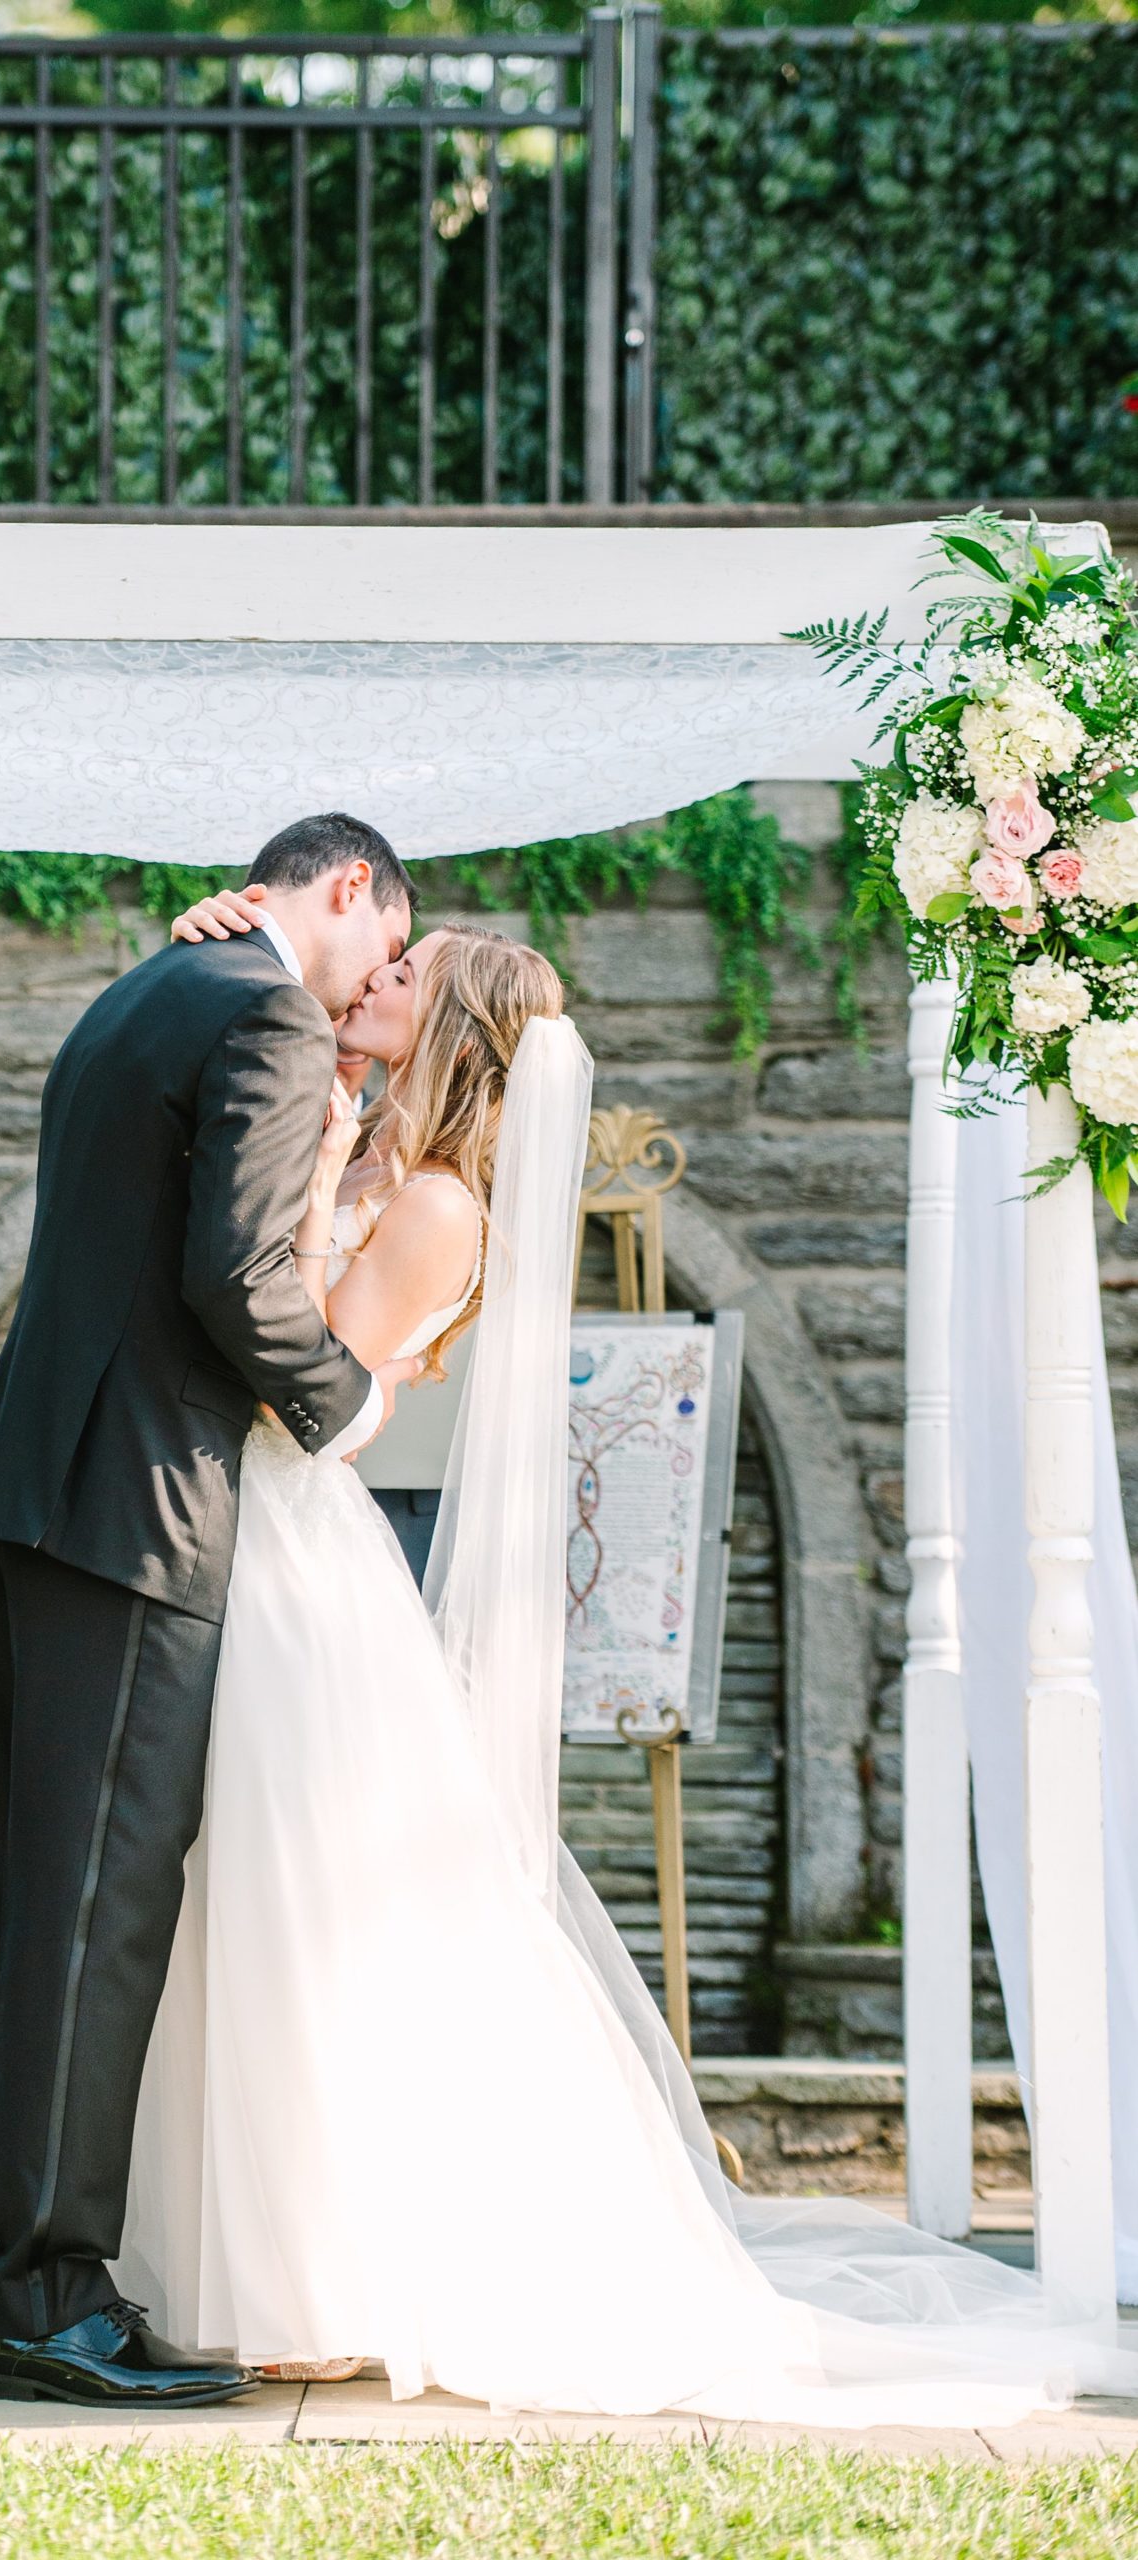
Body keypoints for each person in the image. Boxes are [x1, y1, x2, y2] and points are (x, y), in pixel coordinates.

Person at [110, 878, 1138, 2426]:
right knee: (247, 1905)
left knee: (299, 1902)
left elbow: (304, 1374)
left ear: (446, 1022)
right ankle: (271, 2267)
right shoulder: (373, 1139)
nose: (379, 971)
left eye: (410, 970)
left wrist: (313, 1177)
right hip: (266, 1553)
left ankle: (329, 2274)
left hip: (298, 1558)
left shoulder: (444, 1201)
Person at [0, 813, 418, 2409]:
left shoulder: (147, 988)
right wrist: (347, 1410)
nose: (374, 984)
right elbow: (235, 1274)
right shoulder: (266, 1007)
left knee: (48, 1904)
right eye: (386, 939)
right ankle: (52, 2303)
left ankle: (43, 2278)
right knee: (100, 1909)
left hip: (43, 1483)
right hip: (140, 1502)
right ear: (345, 885)